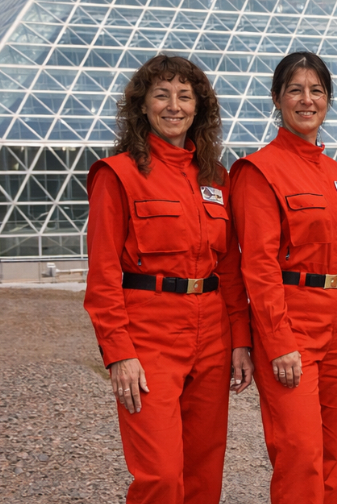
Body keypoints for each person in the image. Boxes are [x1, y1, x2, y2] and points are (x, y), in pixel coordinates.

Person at [85, 55, 253, 504]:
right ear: (142, 106)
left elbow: (230, 269)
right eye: (162, 95)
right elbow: (102, 276)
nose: (174, 106)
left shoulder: (216, 178)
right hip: (149, 336)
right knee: (159, 475)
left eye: (185, 96)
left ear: (199, 108)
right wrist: (119, 354)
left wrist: (240, 341)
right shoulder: (117, 175)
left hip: (213, 334)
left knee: (204, 471)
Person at [229, 52, 337, 504]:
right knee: (299, 454)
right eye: (295, 90)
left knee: (330, 453)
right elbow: (258, 266)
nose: (307, 100)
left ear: (328, 99)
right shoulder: (258, 171)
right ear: (276, 99)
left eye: (317, 91)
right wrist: (278, 340)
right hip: (293, 322)